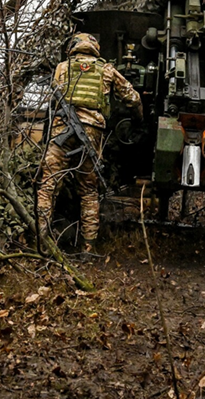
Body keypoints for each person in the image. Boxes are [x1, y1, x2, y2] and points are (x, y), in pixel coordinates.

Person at [36, 32, 142, 253]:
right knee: (88, 190)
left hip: (60, 130)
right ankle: (88, 247)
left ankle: (41, 242)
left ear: (73, 47)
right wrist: (138, 117)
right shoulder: (106, 70)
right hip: (91, 133)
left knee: (49, 185)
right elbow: (133, 98)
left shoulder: (62, 68)